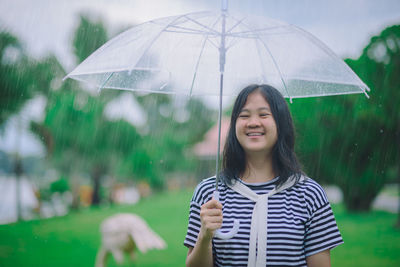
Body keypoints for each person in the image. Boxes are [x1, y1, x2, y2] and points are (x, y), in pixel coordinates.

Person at [184, 84, 343, 267]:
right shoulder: (208, 193)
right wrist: (204, 237)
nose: (253, 123)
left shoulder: (309, 194)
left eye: (263, 114)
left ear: (281, 123)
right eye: (244, 115)